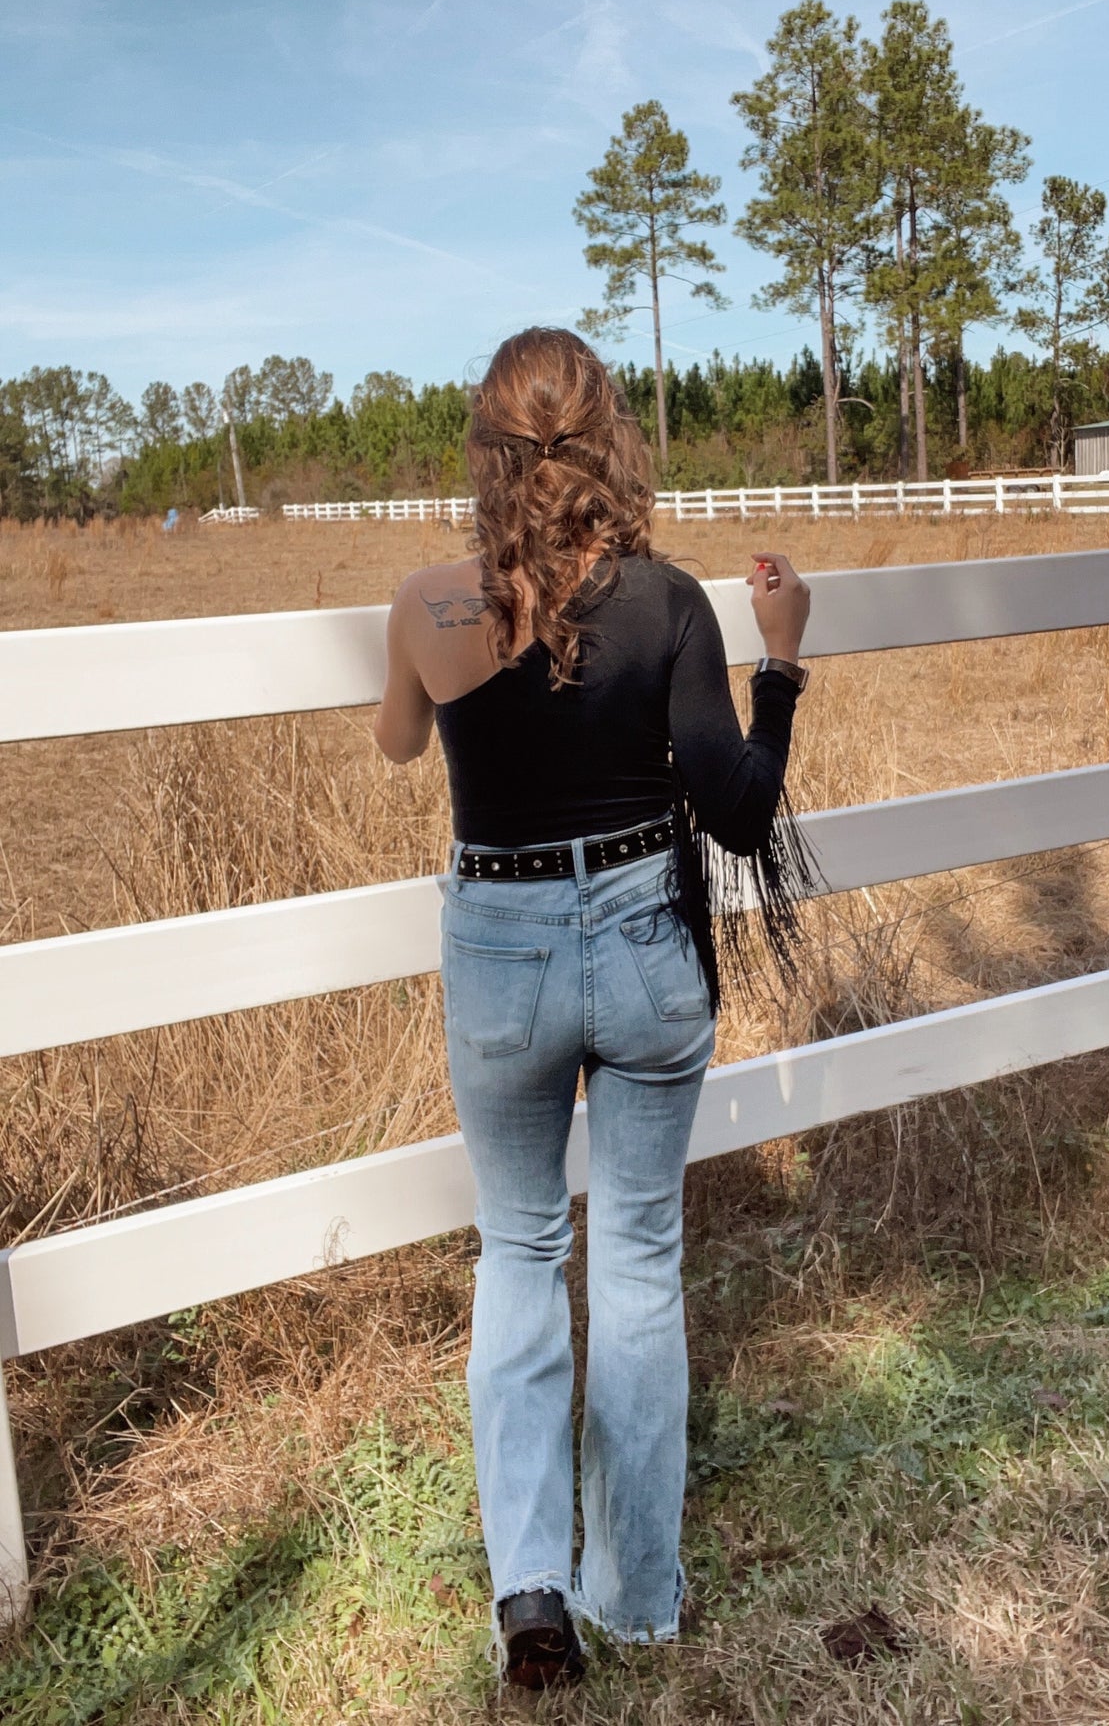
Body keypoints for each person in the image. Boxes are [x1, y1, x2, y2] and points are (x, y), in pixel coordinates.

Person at [373, 327, 812, 1689]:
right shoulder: (672, 601)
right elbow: (737, 816)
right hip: (641, 943)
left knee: (516, 1255)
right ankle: (636, 1591)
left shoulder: (430, 604)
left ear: (486, 449)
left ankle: (532, 1598)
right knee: (631, 1265)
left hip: (501, 939)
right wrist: (780, 662)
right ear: (610, 438)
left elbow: (396, 742)